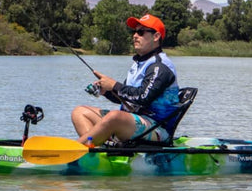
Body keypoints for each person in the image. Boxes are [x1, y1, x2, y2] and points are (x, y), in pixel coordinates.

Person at [71, 13, 180, 146]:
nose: (135, 36)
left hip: (156, 129)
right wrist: (106, 91)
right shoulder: (138, 64)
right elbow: (127, 98)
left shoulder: (160, 66)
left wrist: (114, 85)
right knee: (80, 112)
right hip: (131, 122)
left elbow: (143, 97)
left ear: (156, 36)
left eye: (140, 32)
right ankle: (93, 151)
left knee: (115, 116)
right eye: (134, 32)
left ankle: (73, 150)